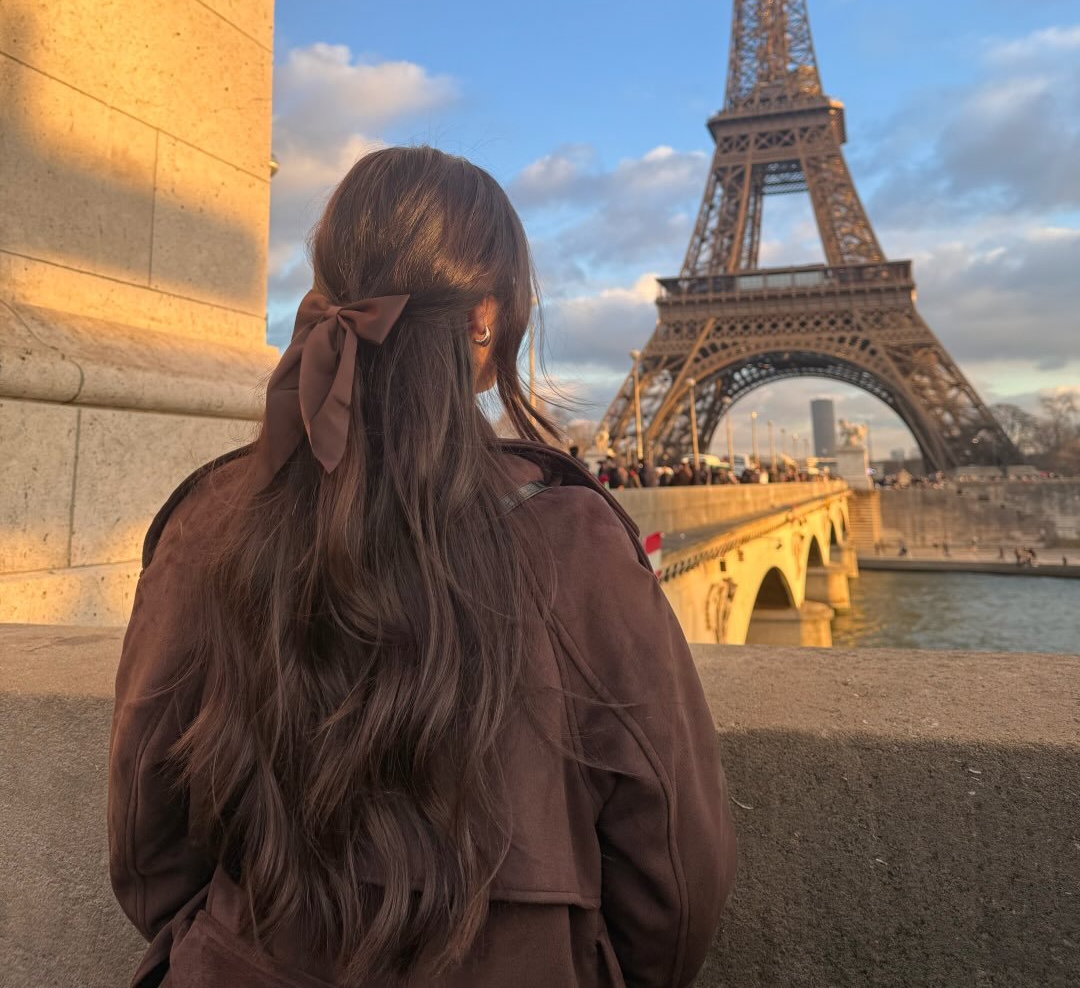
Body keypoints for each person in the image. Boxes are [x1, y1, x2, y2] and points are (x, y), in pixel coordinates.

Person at [108, 147, 735, 988]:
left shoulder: (211, 518)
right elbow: (673, 874)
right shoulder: (575, 541)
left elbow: (146, 828)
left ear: (324, 299)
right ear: (485, 317)